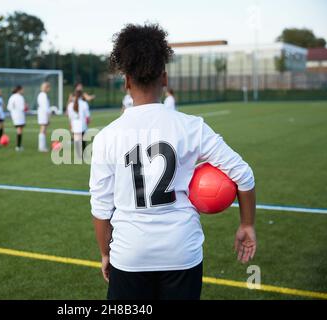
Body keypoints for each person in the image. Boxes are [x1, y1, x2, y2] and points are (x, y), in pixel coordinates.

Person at [89, 24, 256, 300]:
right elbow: (243, 175)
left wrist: (106, 253)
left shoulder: (107, 137)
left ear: (126, 81)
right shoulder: (191, 127)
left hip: (130, 255)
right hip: (182, 251)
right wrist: (247, 225)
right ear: (164, 78)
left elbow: (101, 208)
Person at [67, 90, 90, 159]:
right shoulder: (84, 103)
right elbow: (87, 116)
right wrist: (87, 123)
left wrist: (71, 125)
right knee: (83, 139)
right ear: (81, 96)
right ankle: (84, 154)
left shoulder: (70, 105)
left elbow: (70, 117)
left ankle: (78, 155)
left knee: (77, 140)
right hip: (82, 124)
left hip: (75, 124)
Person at [7, 85, 26, 152]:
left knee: (19, 130)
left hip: (14, 116)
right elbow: (23, 108)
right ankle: (18, 146)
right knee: (19, 130)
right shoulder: (20, 97)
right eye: (22, 89)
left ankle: (18, 146)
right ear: (19, 90)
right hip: (20, 116)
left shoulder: (12, 97)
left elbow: (9, 107)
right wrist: (25, 107)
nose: (23, 91)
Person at [37, 82, 51, 152]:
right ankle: (41, 147)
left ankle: (43, 146)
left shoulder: (42, 95)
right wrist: (48, 116)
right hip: (43, 114)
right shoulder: (43, 95)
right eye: (48, 87)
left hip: (42, 113)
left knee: (44, 130)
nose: (49, 89)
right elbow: (45, 107)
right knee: (43, 129)